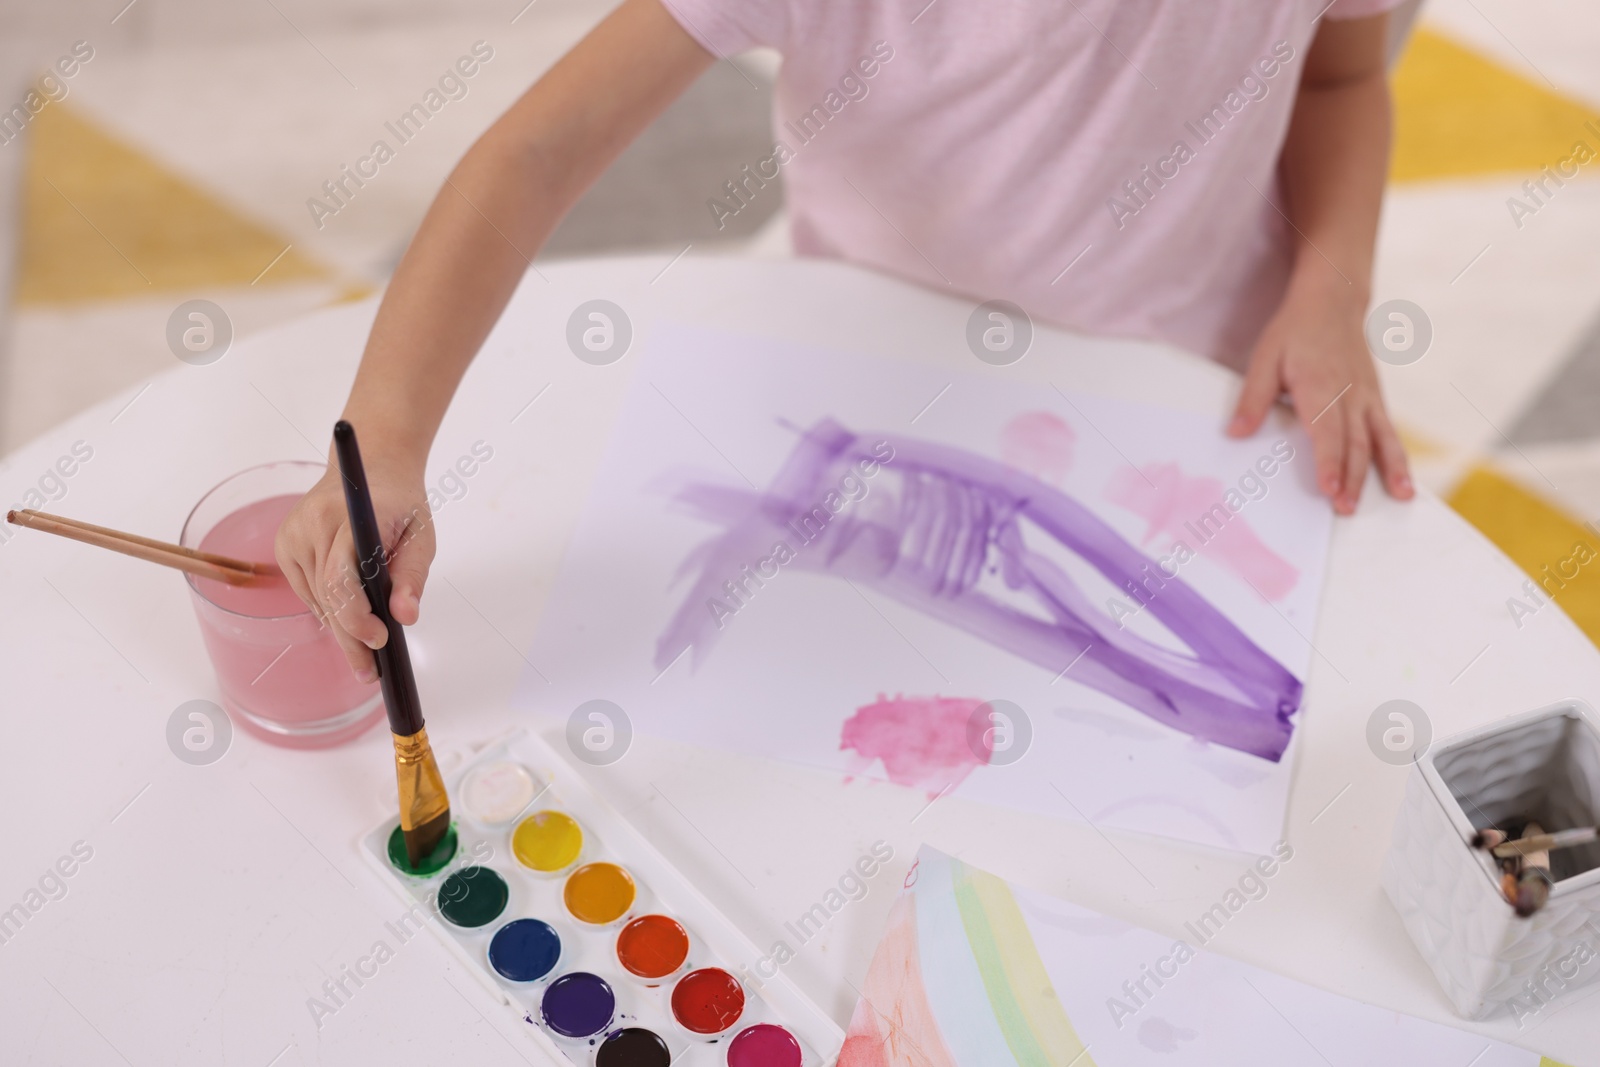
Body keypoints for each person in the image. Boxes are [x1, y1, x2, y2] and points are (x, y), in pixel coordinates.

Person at [277, 0, 1416, 681]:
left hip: (1194, 388)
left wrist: (1332, 288)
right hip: (877, 388)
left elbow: (1343, 80)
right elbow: (532, 156)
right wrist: (384, 429)